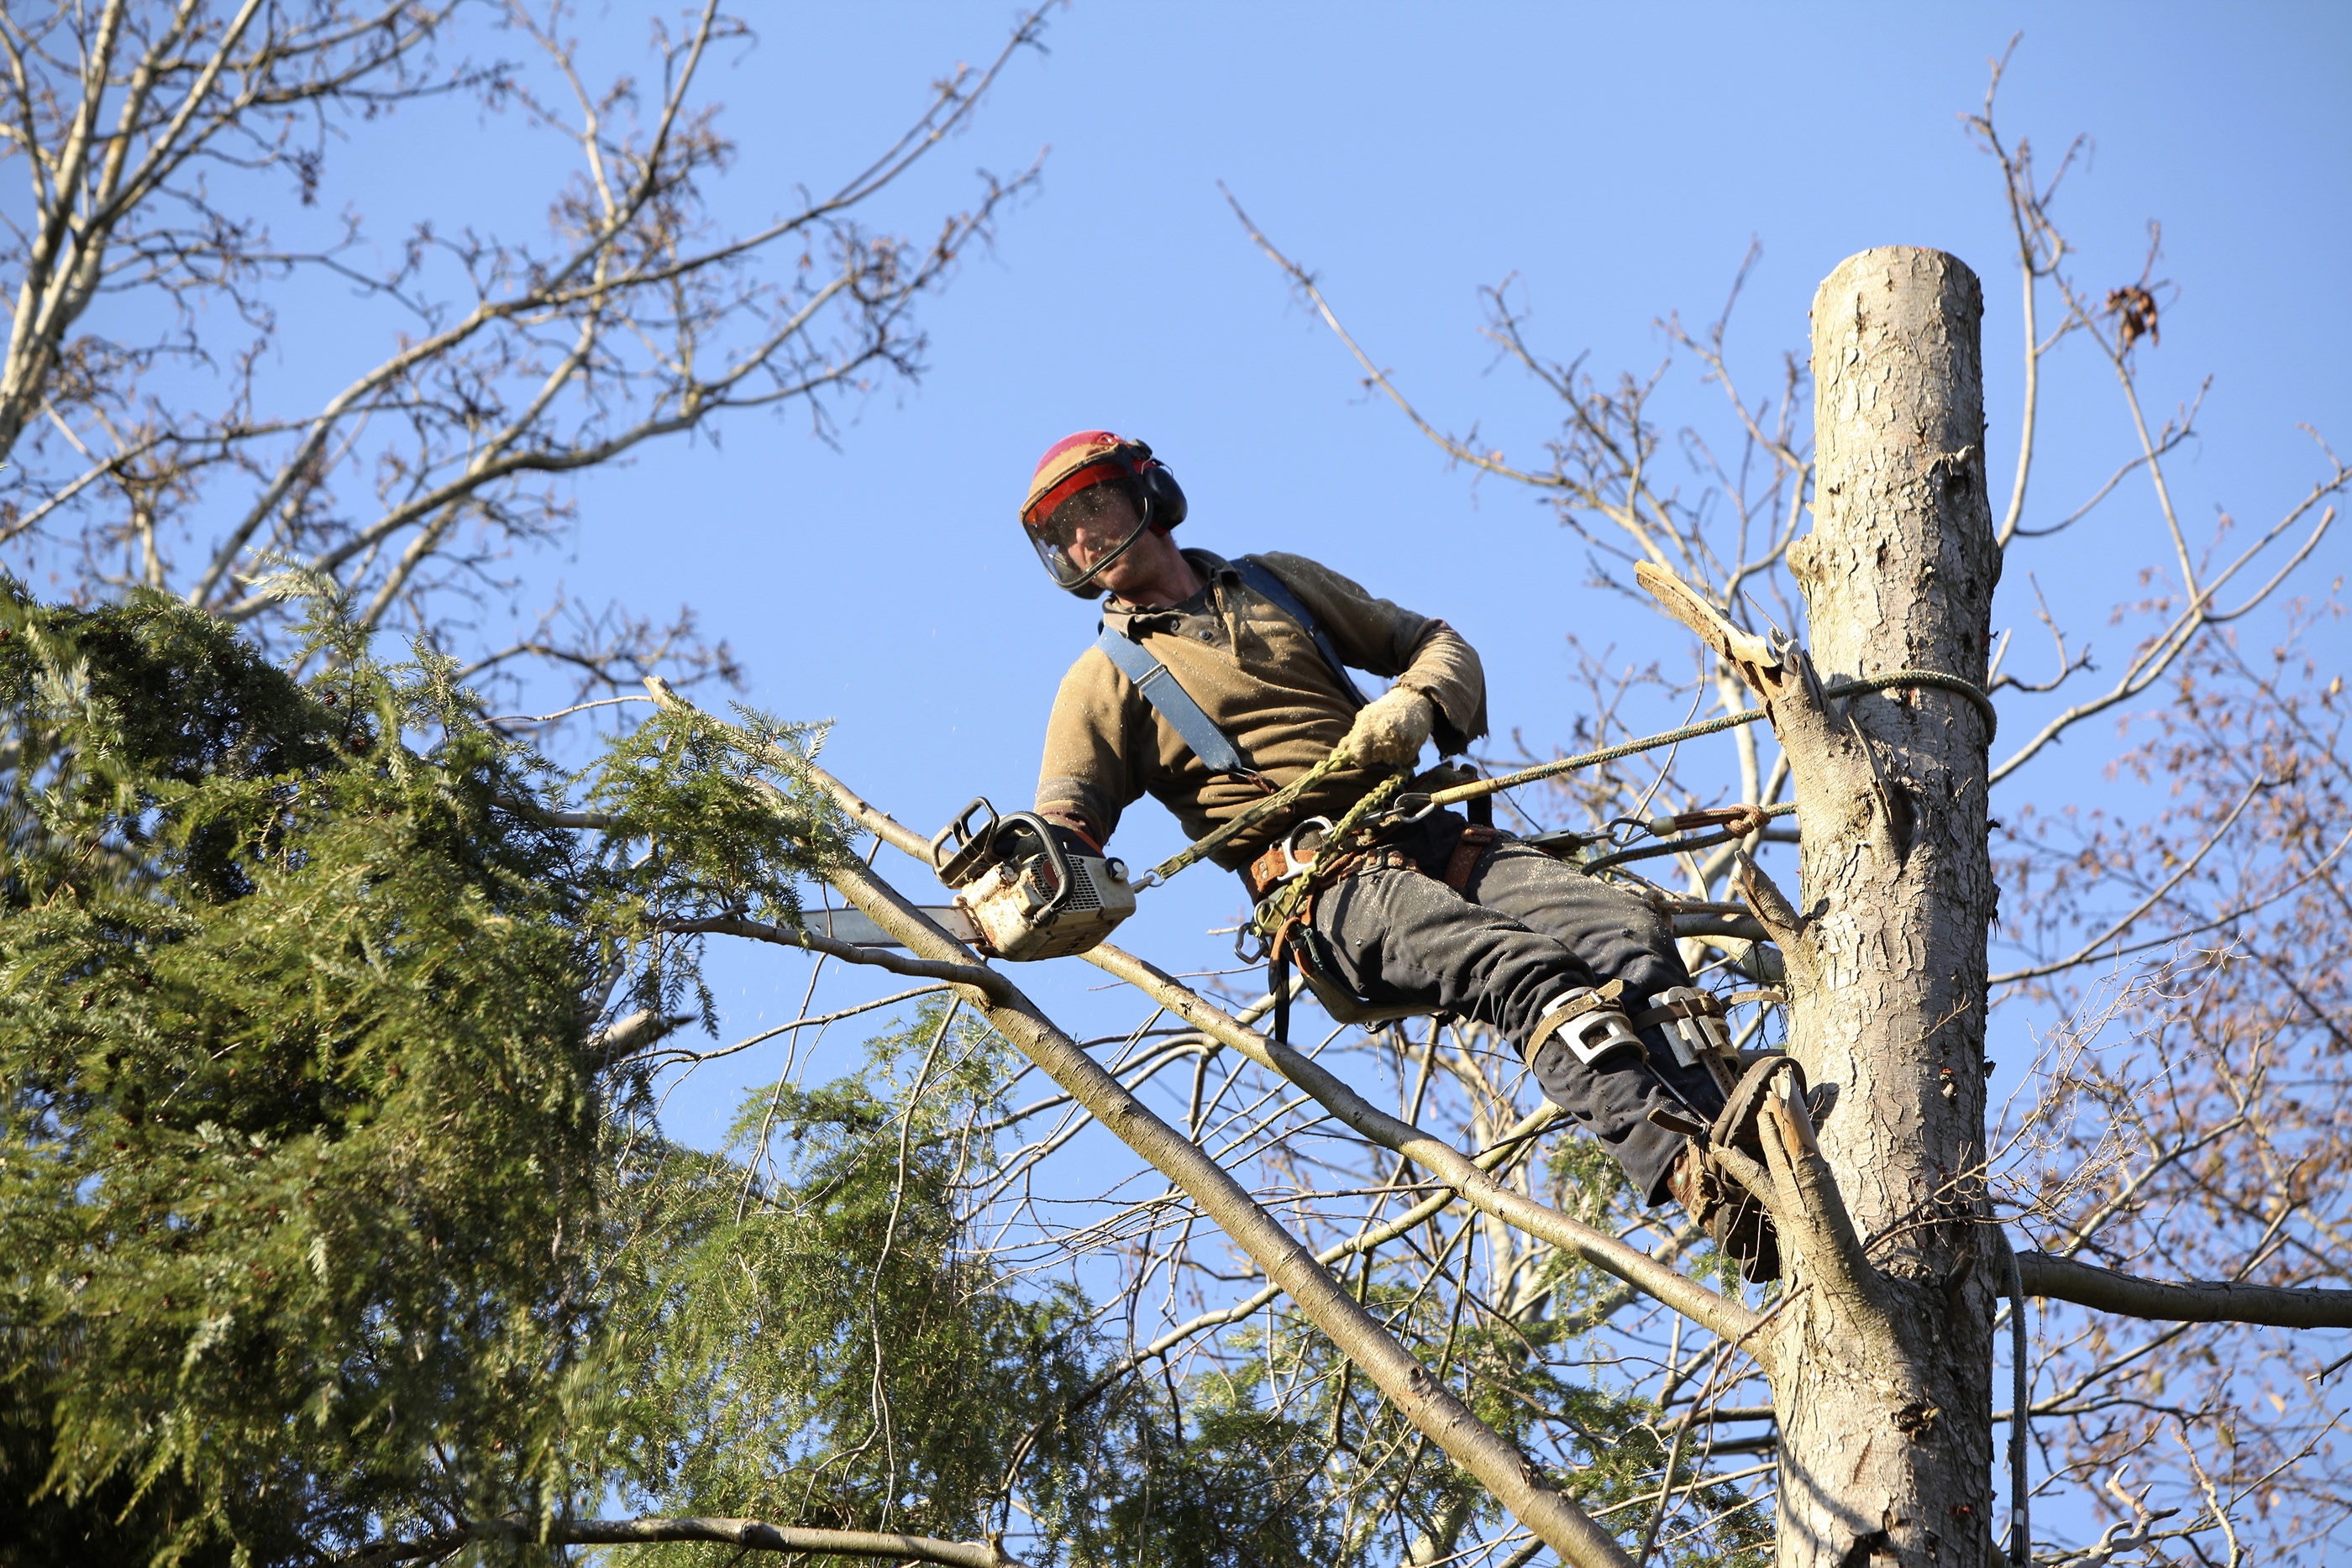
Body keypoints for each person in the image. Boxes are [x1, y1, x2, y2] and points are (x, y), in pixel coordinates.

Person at [1018, 429, 1777, 1279]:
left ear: (1149, 494)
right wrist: (1018, 886)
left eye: (1092, 509)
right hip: (1324, 887)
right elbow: (1066, 819)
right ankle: (1684, 1168)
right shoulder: (1103, 678)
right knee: (1521, 968)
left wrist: (1416, 701)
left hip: (1431, 834)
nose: (1082, 539)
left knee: (1618, 928)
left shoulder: (1271, 581)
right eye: (1062, 532)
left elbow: (1436, 640)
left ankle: (1750, 1167)